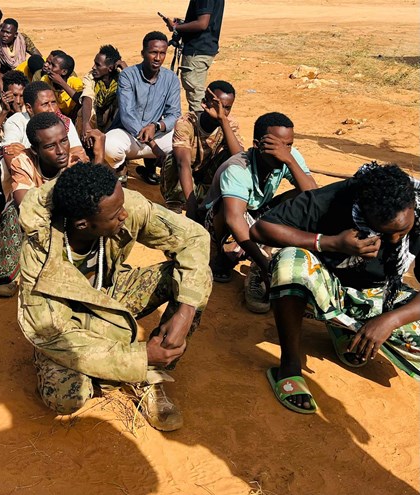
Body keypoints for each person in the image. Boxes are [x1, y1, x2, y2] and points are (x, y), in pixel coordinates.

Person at [18, 162, 211, 431]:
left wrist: (186, 310)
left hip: (110, 294)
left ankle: (152, 375)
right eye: (116, 215)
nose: (125, 214)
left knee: (194, 279)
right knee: (65, 396)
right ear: (83, 224)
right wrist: (138, 357)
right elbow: (51, 334)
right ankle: (133, 365)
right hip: (68, 320)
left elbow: (194, 237)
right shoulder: (39, 255)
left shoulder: (115, 202)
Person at [250, 162, 420, 414]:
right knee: (290, 262)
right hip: (326, 287)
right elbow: (261, 229)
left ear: (413, 205)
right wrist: (331, 243)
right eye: (383, 233)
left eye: (402, 230)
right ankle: (289, 366)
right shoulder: (339, 197)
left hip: (380, 295)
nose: (394, 240)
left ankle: (346, 331)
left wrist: (390, 320)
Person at [200, 111, 316, 313]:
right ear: (257, 145)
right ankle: (227, 255)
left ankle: (259, 265)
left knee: (300, 198)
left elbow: (313, 196)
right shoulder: (237, 168)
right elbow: (234, 219)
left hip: (253, 213)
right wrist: (265, 264)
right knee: (229, 212)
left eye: (288, 145)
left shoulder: (288, 156)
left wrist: (289, 160)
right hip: (219, 223)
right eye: (276, 145)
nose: (284, 150)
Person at [0, 112, 88, 297]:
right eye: (50, 146)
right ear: (35, 150)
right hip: (33, 218)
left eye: (64, 141)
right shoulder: (23, 161)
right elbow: (24, 203)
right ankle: (6, 274)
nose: (61, 151)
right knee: (12, 212)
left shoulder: (75, 161)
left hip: (64, 218)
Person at [104, 32, 181, 185]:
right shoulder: (128, 75)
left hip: (156, 134)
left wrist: (156, 126)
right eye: (153, 52)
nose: (158, 58)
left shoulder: (171, 78)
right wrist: (153, 146)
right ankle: (120, 169)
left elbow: (174, 113)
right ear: (143, 53)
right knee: (109, 145)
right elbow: (127, 115)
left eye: (162, 53)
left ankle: (166, 182)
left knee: (184, 145)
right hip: (129, 134)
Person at [160, 80, 243, 215]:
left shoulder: (229, 123)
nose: (222, 111)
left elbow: (240, 159)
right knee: (174, 157)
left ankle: (211, 203)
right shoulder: (186, 122)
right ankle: (175, 203)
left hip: (207, 184)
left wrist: (222, 120)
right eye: (217, 106)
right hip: (183, 183)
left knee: (231, 159)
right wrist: (191, 206)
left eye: (227, 108)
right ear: (204, 103)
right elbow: (183, 164)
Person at [162, 0, 225, 112]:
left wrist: (176, 27)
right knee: (197, 94)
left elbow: (202, 23)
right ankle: (199, 121)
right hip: (203, 49)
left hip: (197, 51)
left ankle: (201, 122)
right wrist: (183, 24)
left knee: (196, 98)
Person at [78, 45, 125, 142]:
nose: (93, 67)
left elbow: (137, 91)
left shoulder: (122, 79)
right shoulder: (90, 77)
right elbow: (87, 98)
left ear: (110, 68)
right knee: (83, 111)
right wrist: (86, 124)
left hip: (113, 122)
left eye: (98, 65)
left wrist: (126, 69)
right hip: (96, 120)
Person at [40, 51, 83, 119]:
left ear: (64, 72)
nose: (49, 67)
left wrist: (61, 83)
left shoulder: (74, 82)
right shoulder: (45, 79)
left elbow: (82, 101)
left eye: (53, 65)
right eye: (50, 64)